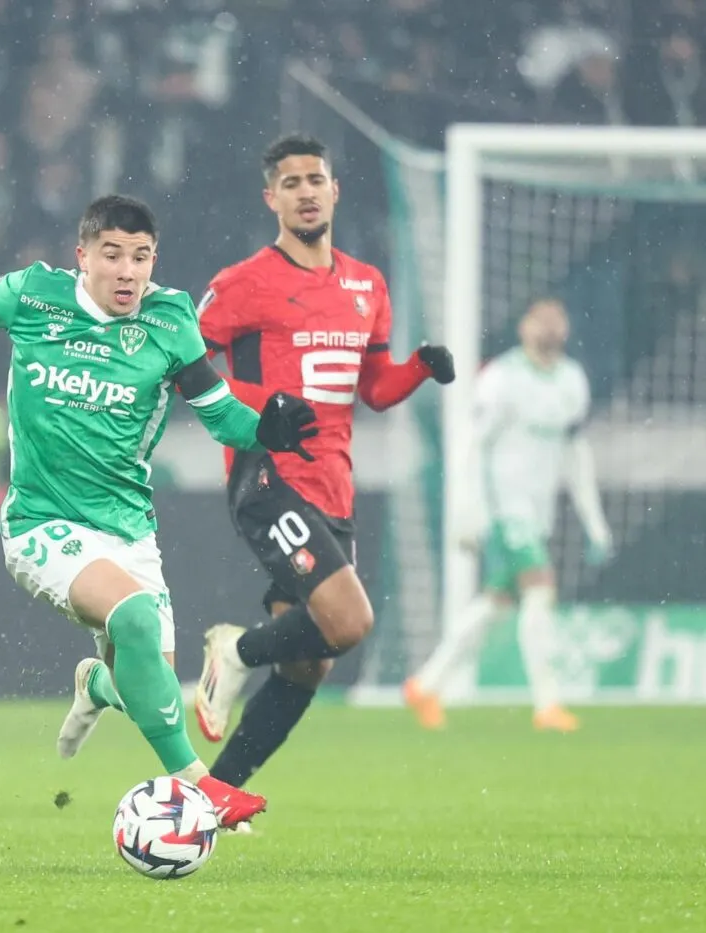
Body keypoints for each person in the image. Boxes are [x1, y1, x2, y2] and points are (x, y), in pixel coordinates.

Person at [0, 194, 320, 829]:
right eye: (113, 256)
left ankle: (96, 686)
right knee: (132, 618)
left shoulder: (170, 321)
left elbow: (219, 414)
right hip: (40, 524)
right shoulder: (35, 295)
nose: (129, 272)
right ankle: (200, 786)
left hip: (130, 533)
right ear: (82, 257)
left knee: (148, 686)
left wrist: (268, 428)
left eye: (142, 257)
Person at [192, 135, 456, 794]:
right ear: (271, 198)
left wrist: (421, 367)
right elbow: (182, 366)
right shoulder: (241, 284)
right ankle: (234, 648)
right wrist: (254, 407)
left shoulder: (367, 284)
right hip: (268, 475)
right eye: (292, 182)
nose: (306, 191)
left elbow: (373, 389)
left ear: (335, 190)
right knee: (351, 622)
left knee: (310, 663)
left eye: (316, 179)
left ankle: (213, 798)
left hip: (334, 486)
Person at [404, 298, 609, 732]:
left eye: (557, 320)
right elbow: (470, 444)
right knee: (541, 588)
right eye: (540, 320)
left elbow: (576, 452)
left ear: (566, 329)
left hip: (538, 511)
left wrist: (594, 521)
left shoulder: (572, 381)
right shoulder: (502, 379)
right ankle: (548, 704)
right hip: (503, 506)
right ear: (523, 327)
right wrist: (466, 510)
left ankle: (426, 684)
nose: (549, 328)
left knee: (497, 604)